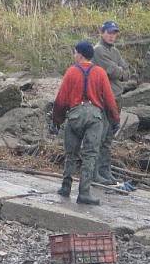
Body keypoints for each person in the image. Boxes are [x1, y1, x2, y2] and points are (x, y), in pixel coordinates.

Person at [52, 41, 121, 205]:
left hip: (75, 115)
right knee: (90, 154)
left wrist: (57, 120)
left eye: (75, 52)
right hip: (95, 117)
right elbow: (110, 100)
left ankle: (65, 187)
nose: (74, 55)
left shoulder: (71, 71)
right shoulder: (100, 72)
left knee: (71, 154)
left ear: (80, 54)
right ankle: (84, 193)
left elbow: (61, 99)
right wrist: (115, 119)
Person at [92, 20, 130, 185]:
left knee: (108, 138)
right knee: (99, 137)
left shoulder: (115, 51)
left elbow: (127, 72)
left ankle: (105, 171)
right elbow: (114, 71)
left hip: (117, 98)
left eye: (114, 33)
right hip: (103, 99)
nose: (112, 36)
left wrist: (120, 71)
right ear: (102, 32)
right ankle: (94, 173)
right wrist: (119, 71)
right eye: (109, 32)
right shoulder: (98, 50)